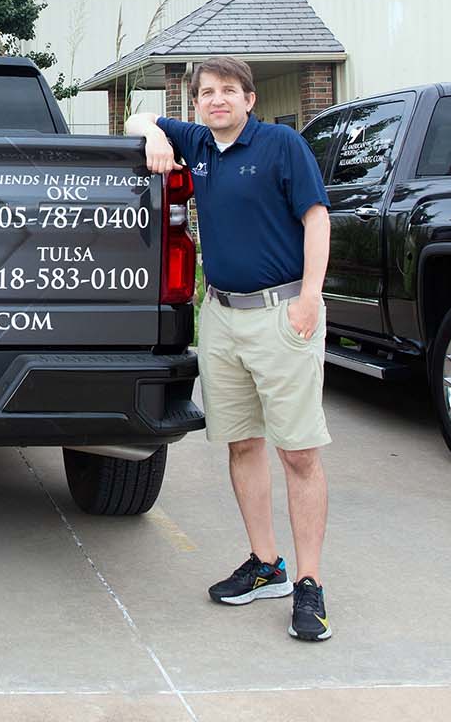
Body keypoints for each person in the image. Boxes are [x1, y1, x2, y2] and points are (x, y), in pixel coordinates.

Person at [125, 55, 334, 642]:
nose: (217, 100)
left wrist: (309, 300)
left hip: (282, 314)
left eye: (228, 91)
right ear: (196, 104)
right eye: (206, 92)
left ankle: (310, 585)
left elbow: (316, 219)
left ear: (250, 99)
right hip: (219, 316)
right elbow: (138, 116)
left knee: (298, 453)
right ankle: (266, 564)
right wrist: (153, 137)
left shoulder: (282, 146)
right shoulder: (199, 144)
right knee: (242, 444)